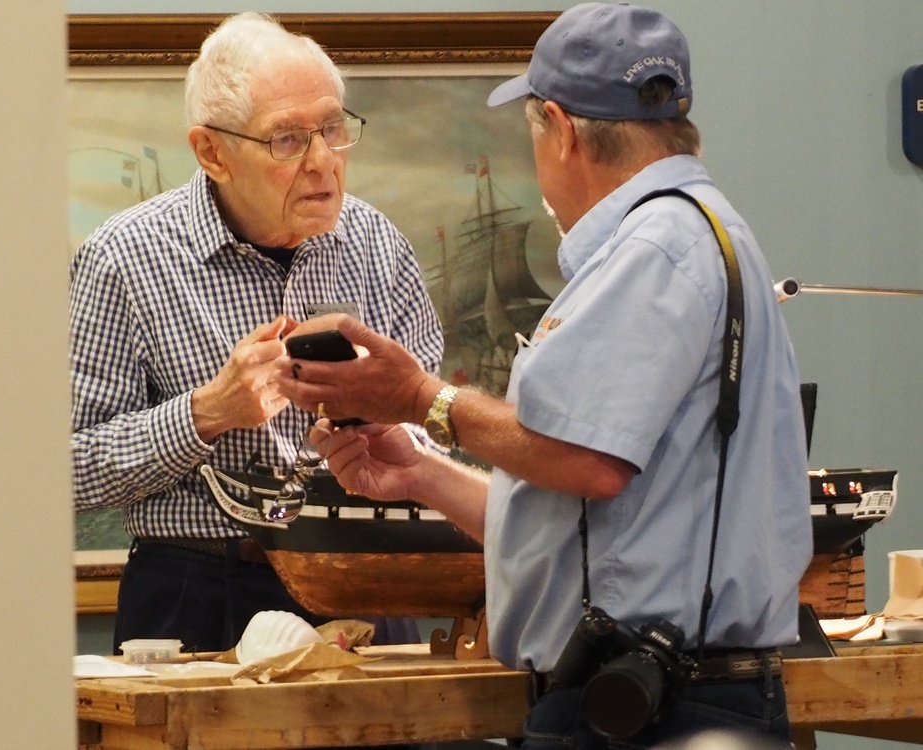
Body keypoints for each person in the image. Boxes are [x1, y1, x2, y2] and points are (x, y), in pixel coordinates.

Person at [276, 4, 812, 748]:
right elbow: (592, 523)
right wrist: (425, 476)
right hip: (664, 696)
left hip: (646, 708)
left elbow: (588, 462)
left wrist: (420, 398)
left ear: (559, 128)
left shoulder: (654, 249)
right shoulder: (697, 231)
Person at [69, 11, 443, 654]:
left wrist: (391, 424)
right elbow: (65, 470)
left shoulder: (379, 245)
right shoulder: (123, 259)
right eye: (289, 140)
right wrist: (206, 414)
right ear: (213, 152)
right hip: (198, 589)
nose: (325, 162)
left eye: (332, 128)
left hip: (370, 583)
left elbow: (434, 425)